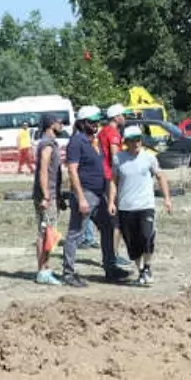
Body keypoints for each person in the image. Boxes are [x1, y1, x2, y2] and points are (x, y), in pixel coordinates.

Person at [62, 106, 128, 287]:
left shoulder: (92, 141)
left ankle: (110, 268)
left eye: (97, 121)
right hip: (86, 193)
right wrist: (81, 197)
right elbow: (72, 171)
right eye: (92, 122)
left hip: (98, 195)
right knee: (75, 233)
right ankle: (68, 272)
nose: (95, 124)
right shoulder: (76, 142)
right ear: (83, 123)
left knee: (107, 227)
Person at [107, 124, 173, 285]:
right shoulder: (119, 159)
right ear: (126, 142)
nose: (136, 143)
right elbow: (114, 181)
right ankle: (141, 270)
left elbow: (160, 176)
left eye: (138, 140)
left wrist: (167, 199)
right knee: (133, 243)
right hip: (126, 207)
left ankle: (148, 266)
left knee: (147, 236)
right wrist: (111, 201)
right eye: (132, 140)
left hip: (145, 206)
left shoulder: (149, 158)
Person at [32, 113, 66, 285]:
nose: (62, 125)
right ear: (51, 124)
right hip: (47, 195)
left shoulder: (50, 143)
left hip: (52, 194)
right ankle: (42, 271)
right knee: (46, 233)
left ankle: (45, 267)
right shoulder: (47, 144)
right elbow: (43, 171)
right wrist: (46, 195)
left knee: (48, 232)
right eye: (59, 122)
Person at [98, 103, 131, 268]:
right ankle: (114, 254)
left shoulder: (102, 131)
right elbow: (115, 155)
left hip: (104, 174)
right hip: (111, 176)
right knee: (115, 220)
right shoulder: (113, 133)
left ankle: (112, 253)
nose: (124, 118)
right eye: (123, 115)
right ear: (116, 117)